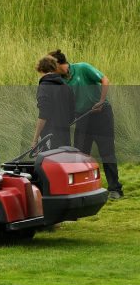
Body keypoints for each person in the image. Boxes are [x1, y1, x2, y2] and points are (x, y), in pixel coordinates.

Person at [49, 49, 124, 200]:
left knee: (107, 153)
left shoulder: (83, 68)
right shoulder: (60, 81)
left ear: (59, 64)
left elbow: (105, 80)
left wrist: (101, 101)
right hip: (83, 118)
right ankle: (84, 189)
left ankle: (115, 189)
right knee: (80, 154)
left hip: (102, 115)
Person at [32, 56, 75, 149]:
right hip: (65, 139)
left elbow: (44, 114)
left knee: (47, 163)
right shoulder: (66, 86)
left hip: (49, 139)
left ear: (41, 70)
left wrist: (35, 140)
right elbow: (72, 116)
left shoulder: (44, 86)